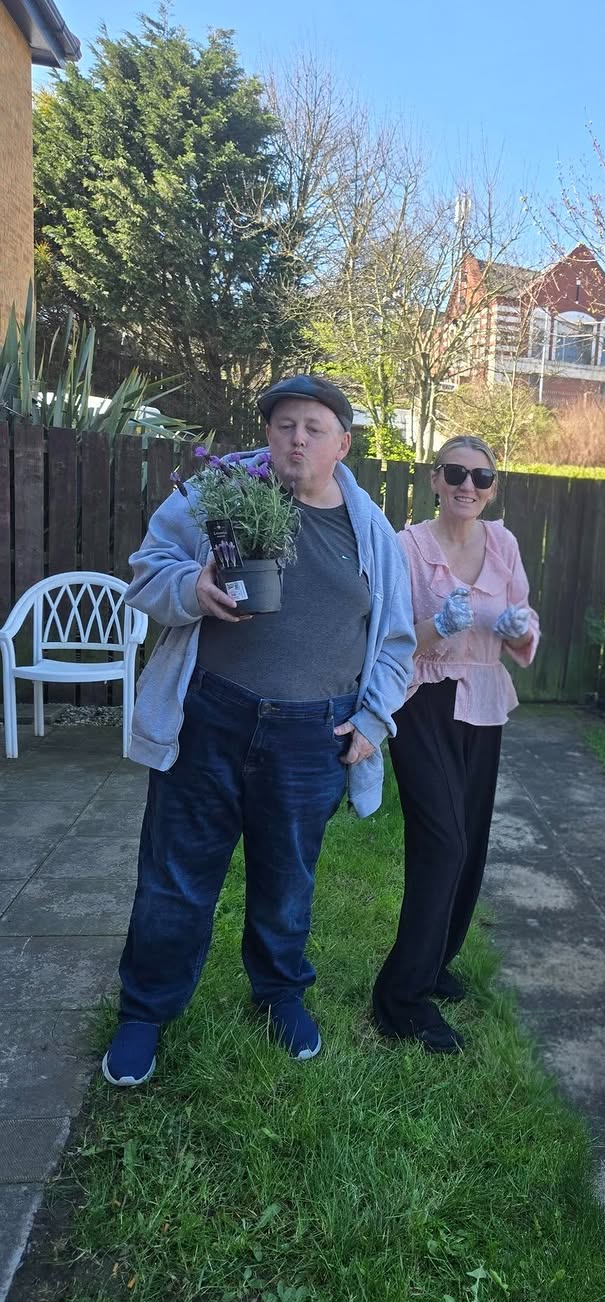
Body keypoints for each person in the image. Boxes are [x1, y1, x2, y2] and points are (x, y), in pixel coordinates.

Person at [102, 374, 415, 1087]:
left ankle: (278, 995)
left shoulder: (371, 532)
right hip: (212, 716)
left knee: (286, 881)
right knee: (176, 877)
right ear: (267, 434)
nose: (295, 438)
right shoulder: (218, 494)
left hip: (312, 737)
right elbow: (148, 572)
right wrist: (194, 590)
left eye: (312, 427)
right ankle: (144, 1013)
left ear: (343, 443)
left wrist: (372, 720)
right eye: (283, 425)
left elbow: (396, 642)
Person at [373, 435, 539, 1053]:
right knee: (442, 843)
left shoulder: (505, 543)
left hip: (485, 700)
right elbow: (389, 637)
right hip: (425, 701)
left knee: (470, 843)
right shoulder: (407, 547)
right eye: (456, 473)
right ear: (435, 479)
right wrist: (437, 628)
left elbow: (519, 618)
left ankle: (438, 959)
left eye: (482, 476)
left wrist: (522, 630)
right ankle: (400, 998)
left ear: (493, 487)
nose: (468, 485)